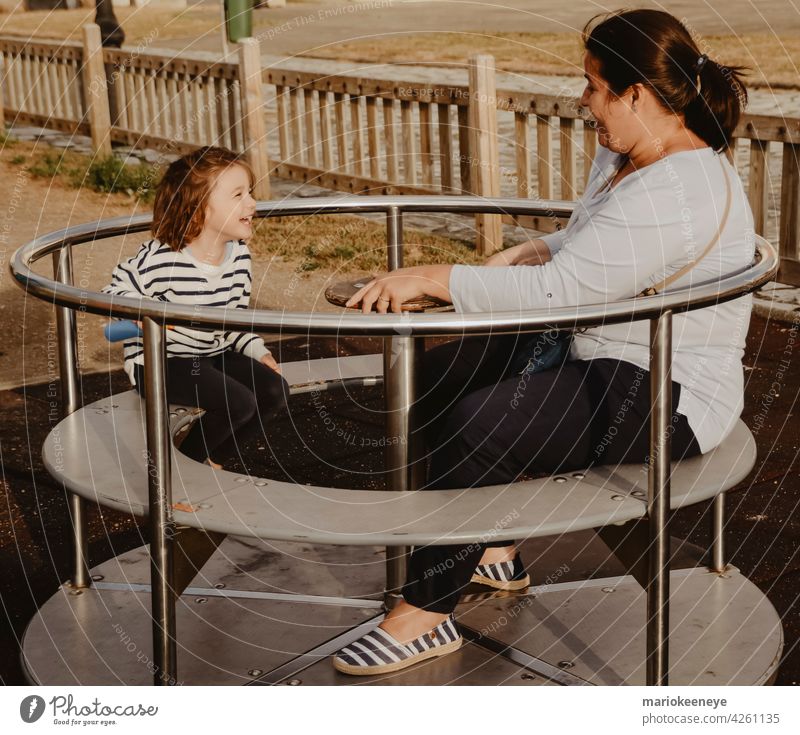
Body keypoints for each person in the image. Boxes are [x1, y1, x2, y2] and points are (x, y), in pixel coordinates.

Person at [332, 8, 754, 675]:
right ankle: (492, 549)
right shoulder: (631, 153)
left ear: (636, 95)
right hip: (605, 347)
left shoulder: (678, 186)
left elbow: (566, 291)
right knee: (442, 377)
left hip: (665, 390)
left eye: (593, 86)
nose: (583, 100)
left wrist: (436, 277)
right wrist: (524, 251)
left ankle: (426, 612)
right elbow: (593, 246)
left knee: (481, 424)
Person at [103, 146, 289, 470]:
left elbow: (233, 320)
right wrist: (149, 317)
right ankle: (182, 469)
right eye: (238, 195)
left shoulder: (239, 256)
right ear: (199, 208)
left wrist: (257, 350)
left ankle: (210, 459)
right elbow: (112, 298)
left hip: (209, 353)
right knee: (238, 402)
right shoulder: (163, 259)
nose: (252, 203)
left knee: (275, 390)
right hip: (164, 361)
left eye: (250, 192)